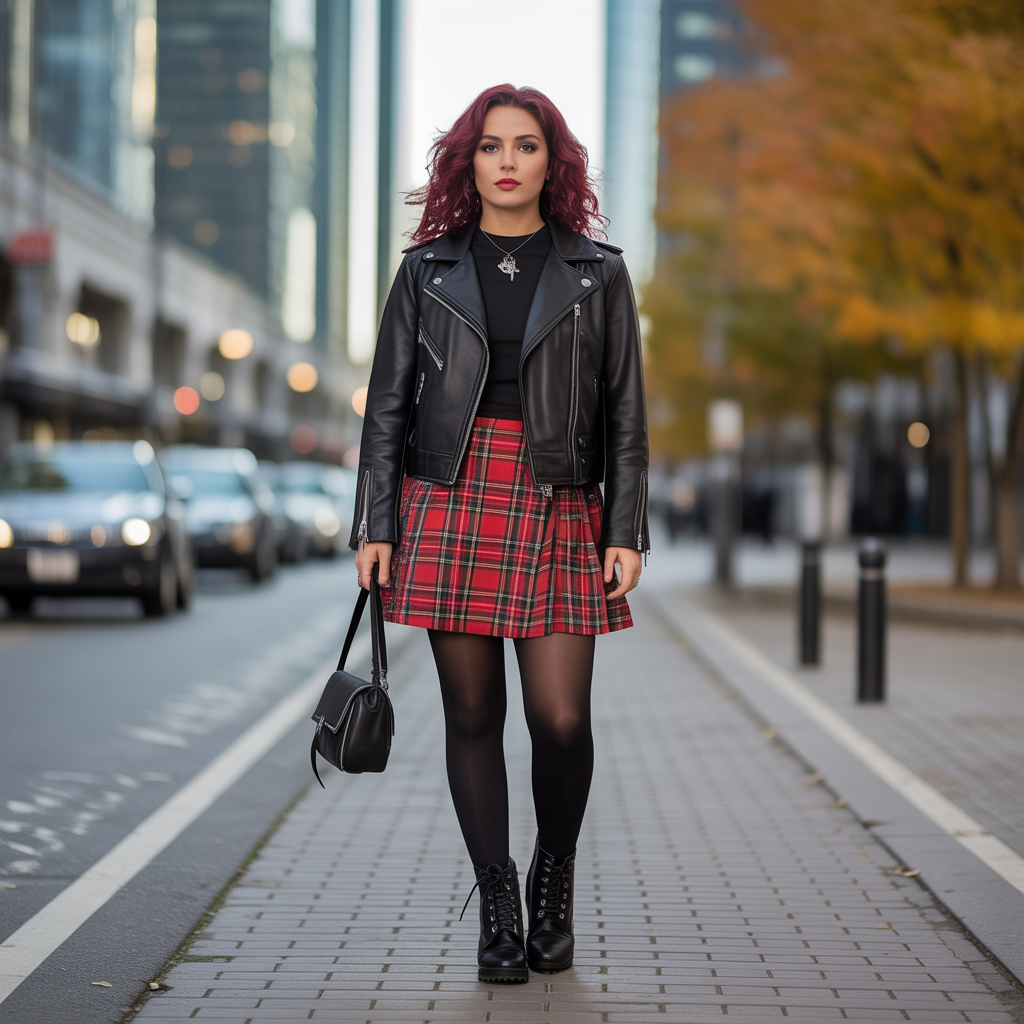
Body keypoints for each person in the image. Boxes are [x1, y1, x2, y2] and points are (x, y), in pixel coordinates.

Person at [352, 84, 649, 984]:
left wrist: (625, 525)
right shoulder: (426, 271)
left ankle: (553, 877)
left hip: (559, 496)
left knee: (560, 721)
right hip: (451, 495)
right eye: (491, 146)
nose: (508, 161)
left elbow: (627, 414)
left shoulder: (599, 271)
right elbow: (388, 407)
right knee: (473, 714)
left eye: (526, 146)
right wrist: (377, 520)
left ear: (551, 162)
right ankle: (499, 905)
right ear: (467, 161)